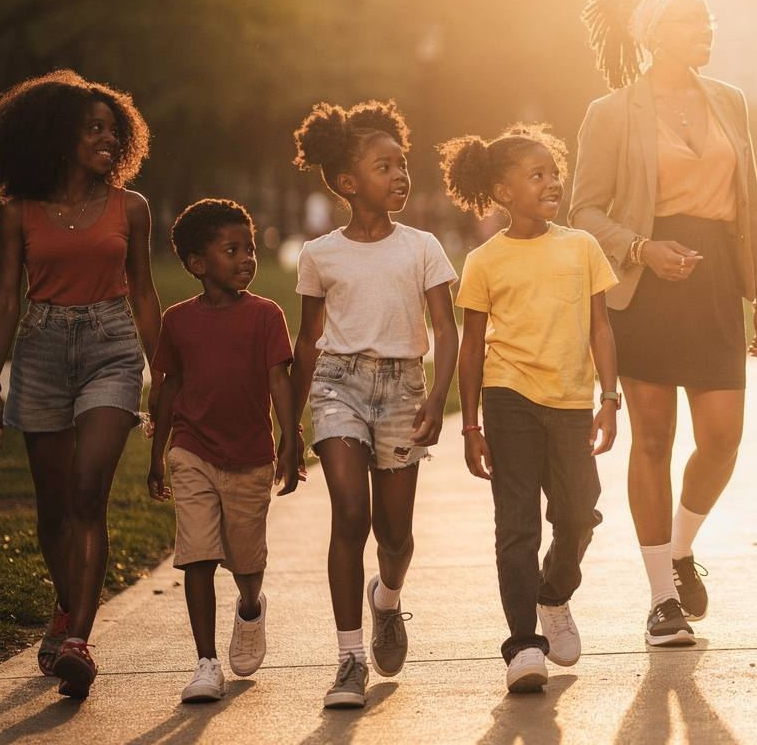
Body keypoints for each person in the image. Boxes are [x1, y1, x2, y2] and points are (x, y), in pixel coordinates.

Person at [572, 0, 757, 648]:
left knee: (722, 437)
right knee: (652, 439)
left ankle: (682, 549)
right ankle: (662, 598)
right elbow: (584, 209)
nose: (706, 29)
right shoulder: (609, 112)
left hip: (715, 281)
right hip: (647, 285)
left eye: (709, 18)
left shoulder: (731, 102)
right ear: (654, 33)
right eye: (692, 19)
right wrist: (640, 247)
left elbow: (749, 207)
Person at [0, 70, 162, 700]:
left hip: (111, 346)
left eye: (114, 129)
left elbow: (145, 293)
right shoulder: (20, 211)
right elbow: (6, 300)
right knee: (52, 510)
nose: (107, 138)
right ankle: (65, 605)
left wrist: (160, 375)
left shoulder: (130, 207)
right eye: (93, 128)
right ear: (59, 136)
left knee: (88, 494)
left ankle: (79, 640)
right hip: (43, 348)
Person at [291, 100, 459, 709]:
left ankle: (386, 599)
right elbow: (308, 340)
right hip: (338, 385)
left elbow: (445, 327)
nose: (399, 175)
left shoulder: (422, 246)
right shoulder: (320, 254)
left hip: (403, 389)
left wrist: (439, 397)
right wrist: (290, 426)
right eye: (383, 166)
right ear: (347, 182)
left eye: (402, 164)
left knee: (396, 536)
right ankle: (348, 660)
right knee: (349, 516)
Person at [443, 124, 619, 693]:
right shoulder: (484, 260)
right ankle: (523, 644)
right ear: (503, 192)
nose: (552, 183)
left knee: (578, 510)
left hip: (571, 402)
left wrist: (610, 399)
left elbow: (601, 326)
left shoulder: (581, 246)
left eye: (554, 173)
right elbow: (473, 346)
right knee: (515, 524)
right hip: (509, 399)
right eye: (536, 175)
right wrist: (470, 424)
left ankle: (554, 592)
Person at [145, 199, 302, 703]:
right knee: (197, 555)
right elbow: (169, 387)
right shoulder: (178, 321)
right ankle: (206, 661)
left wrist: (291, 436)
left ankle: (251, 609)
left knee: (245, 561)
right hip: (192, 449)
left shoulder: (265, 315)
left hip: (250, 456)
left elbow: (279, 378)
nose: (246, 259)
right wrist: (157, 456)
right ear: (198, 264)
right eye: (232, 250)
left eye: (249, 249)